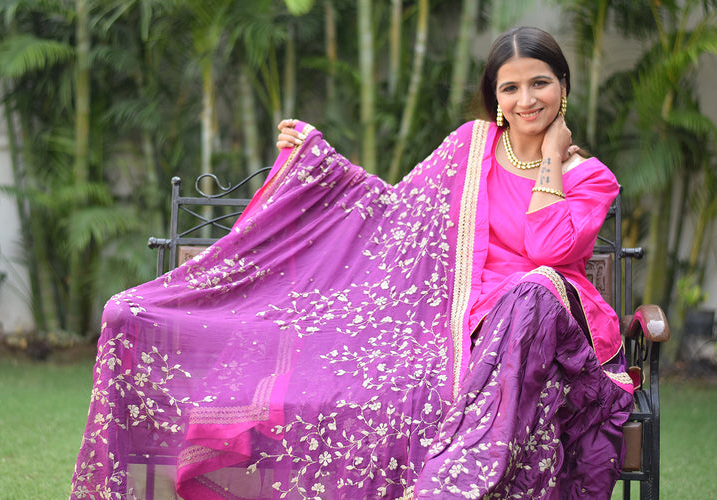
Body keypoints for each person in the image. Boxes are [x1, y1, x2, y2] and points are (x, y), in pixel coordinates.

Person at [71, 27, 633, 500]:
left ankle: (455, 484)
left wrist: (553, 158)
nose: (526, 99)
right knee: (374, 381)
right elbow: (396, 208)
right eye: (510, 88)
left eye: (540, 83)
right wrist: (317, 157)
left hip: (548, 326)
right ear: (495, 98)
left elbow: (549, 251)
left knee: (530, 287)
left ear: (563, 87)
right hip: (456, 328)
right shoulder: (471, 146)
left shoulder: (590, 177)